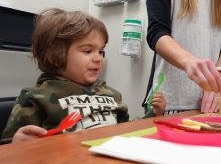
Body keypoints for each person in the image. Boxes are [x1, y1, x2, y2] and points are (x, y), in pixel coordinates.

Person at [1, 8, 166, 143]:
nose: (99, 58)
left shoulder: (111, 94)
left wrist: (154, 115)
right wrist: (17, 142)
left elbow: (124, 129)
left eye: (101, 51)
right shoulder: (35, 97)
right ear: (55, 55)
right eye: (88, 51)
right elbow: (8, 150)